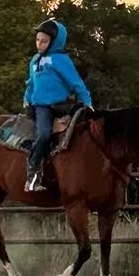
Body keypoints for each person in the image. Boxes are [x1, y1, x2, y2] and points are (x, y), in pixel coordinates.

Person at [22, 18, 92, 193]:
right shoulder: (35, 61)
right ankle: (32, 176)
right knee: (44, 134)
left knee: (86, 126)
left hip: (61, 104)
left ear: (54, 41)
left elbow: (76, 82)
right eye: (37, 40)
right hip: (42, 107)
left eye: (44, 41)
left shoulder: (61, 60)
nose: (39, 44)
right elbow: (31, 83)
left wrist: (87, 101)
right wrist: (27, 98)